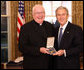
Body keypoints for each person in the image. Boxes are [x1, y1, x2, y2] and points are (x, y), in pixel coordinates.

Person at [18, 4, 55, 69]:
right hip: (32, 64)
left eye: (42, 12)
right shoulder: (25, 28)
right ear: (33, 14)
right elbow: (21, 47)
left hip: (48, 63)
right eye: (37, 13)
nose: (40, 15)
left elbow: (53, 42)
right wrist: (39, 50)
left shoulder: (50, 26)